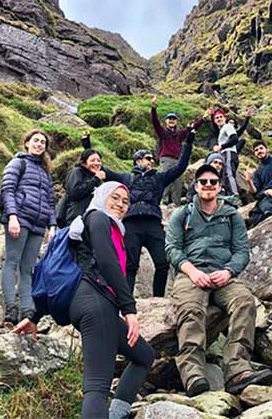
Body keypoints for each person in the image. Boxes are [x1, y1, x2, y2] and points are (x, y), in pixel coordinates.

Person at [13, 182, 155, 419]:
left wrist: (34, 316)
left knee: (144, 356)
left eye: (125, 201)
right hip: (96, 303)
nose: (120, 204)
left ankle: (116, 415)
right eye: (115, 197)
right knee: (97, 386)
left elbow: (57, 271)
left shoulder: (94, 226)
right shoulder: (98, 218)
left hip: (90, 303)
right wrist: (129, 310)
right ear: (101, 196)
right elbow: (107, 262)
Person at [166, 164, 272, 397]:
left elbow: (242, 251)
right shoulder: (181, 214)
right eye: (203, 182)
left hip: (222, 276)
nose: (208, 185)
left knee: (245, 302)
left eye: (212, 182)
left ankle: (237, 370)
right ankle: (193, 374)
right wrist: (192, 272)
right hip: (190, 275)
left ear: (219, 186)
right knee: (192, 310)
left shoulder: (232, 216)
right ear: (195, 186)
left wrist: (228, 271)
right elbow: (172, 248)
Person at [116, 129, 195, 297]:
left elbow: (180, 167)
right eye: (148, 158)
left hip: (153, 223)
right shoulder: (126, 178)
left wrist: (188, 143)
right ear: (138, 161)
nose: (152, 161)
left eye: (153, 158)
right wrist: (87, 144)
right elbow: (104, 172)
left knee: (163, 263)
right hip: (131, 224)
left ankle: (157, 299)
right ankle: (126, 303)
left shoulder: (159, 177)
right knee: (130, 265)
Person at [0, 129, 57, 326]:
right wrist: (13, 217)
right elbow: (7, 190)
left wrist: (52, 225)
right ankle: (10, 309)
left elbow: (50, 201)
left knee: (28, 268)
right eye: (36, 141)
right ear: (26, 143)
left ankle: (27, 310)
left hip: (38, 225)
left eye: (43, 142)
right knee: (12, 262)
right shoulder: (18, 163)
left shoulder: (45, 171)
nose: (39, 144)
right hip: (20, 219)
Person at [150, 96, 210, 205]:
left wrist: (204, 118)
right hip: (166, 159)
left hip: (178, 161)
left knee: (178, 183)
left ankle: (176, 205)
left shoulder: (179, 134)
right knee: (165, 181)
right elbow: (155, 122)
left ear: (176, 121)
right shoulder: (162, 132)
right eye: (170, 119)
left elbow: (193, 128)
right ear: (166, 121)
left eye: (173, 119)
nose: (172, 120)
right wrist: (153, 108)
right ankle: (162, 203)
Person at [62, 136, 126, 225]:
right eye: (92, 160)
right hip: (75, 220)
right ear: (84, 163)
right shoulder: (77, 172)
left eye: (99, 161)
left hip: (92, 221)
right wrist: (96, 179)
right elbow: (75, 192)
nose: (96, 163)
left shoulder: (96, 178)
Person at [211, 109, 241, 196]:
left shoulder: (227, 126)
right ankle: (229, 196)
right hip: (226, 153)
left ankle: (234, 195)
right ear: (214, 121)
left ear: (225, 118)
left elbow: (235, 139)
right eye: (217, 118)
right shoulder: (221, 130)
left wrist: (221, 146)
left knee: (228, 174)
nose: (219, 119)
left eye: (221, 117)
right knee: (225, 175)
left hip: (229, 152)